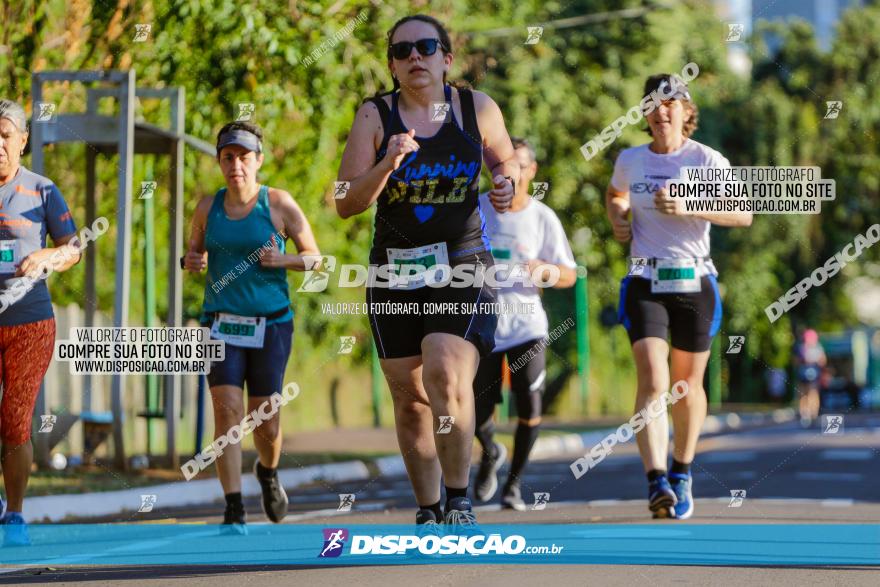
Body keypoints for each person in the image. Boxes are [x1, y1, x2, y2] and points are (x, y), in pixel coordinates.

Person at [336, 14, 518, 529]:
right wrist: (386, 164)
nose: (414, 57)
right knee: (410, 397)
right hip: (394, 272)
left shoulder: (474, 108)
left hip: (461, 265)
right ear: (392, 65)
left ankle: (459, 501)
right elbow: (344, 202)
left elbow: (506, 164)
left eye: (425, 46)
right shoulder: (375, 116)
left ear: (446, 57)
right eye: (402, 51)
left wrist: (507, 184)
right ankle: (429, 508)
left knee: (442, 364)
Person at [606, 74, 752, 519]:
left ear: (687, 112)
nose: (661, 110)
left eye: (671, 102)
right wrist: (617, 215)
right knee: (653, 378)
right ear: (645, 114)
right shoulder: (631, 160)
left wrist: (690, 206)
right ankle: (656, 482)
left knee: (686, 386)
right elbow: (616, 193)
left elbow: (742, 214)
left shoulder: (707, 160)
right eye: (652, 103)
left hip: (694, 280)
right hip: (644, 278)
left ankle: (682, 470)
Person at [184, 120, 320, 532]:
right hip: (221, 324)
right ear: (220, 162)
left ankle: (268, 471)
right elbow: (192, 254)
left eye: (244, 157)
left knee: (266, 420)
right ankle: (233, 507)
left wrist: (287, 260)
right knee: (227, 414)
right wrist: (192, 261)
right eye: (228, 157)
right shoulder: (208, 207)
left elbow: (316, 258)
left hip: (271, 325)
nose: (236, 165)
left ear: (258, 160)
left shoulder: (278, 204)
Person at [472, 137, 577, 510]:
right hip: (482, 324)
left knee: (529, 407)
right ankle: (489, 452)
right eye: (501, 164)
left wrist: (544, 270)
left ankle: (513, 485)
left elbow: (569, 275)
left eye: (517, 165)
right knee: (475, 412)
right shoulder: (477, 208)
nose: (508, 172)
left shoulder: (542, 217)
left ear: (530, 171)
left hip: (527, 327)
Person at [0, 99, 80, 545]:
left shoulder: (43, 190)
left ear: (23, 140)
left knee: (13, 422)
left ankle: (14, 515)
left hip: (30, 325)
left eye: (6, 135)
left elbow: (74, 247)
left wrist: (48, 255)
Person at [795, 328, 826, 426]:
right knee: (811, 393)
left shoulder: (803, 347)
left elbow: (797, 361)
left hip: (807, 374)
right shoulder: (817, 347)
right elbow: (823, 361)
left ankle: (808, 414)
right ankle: (810, 414)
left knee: (806, 394)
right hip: (809, 374)